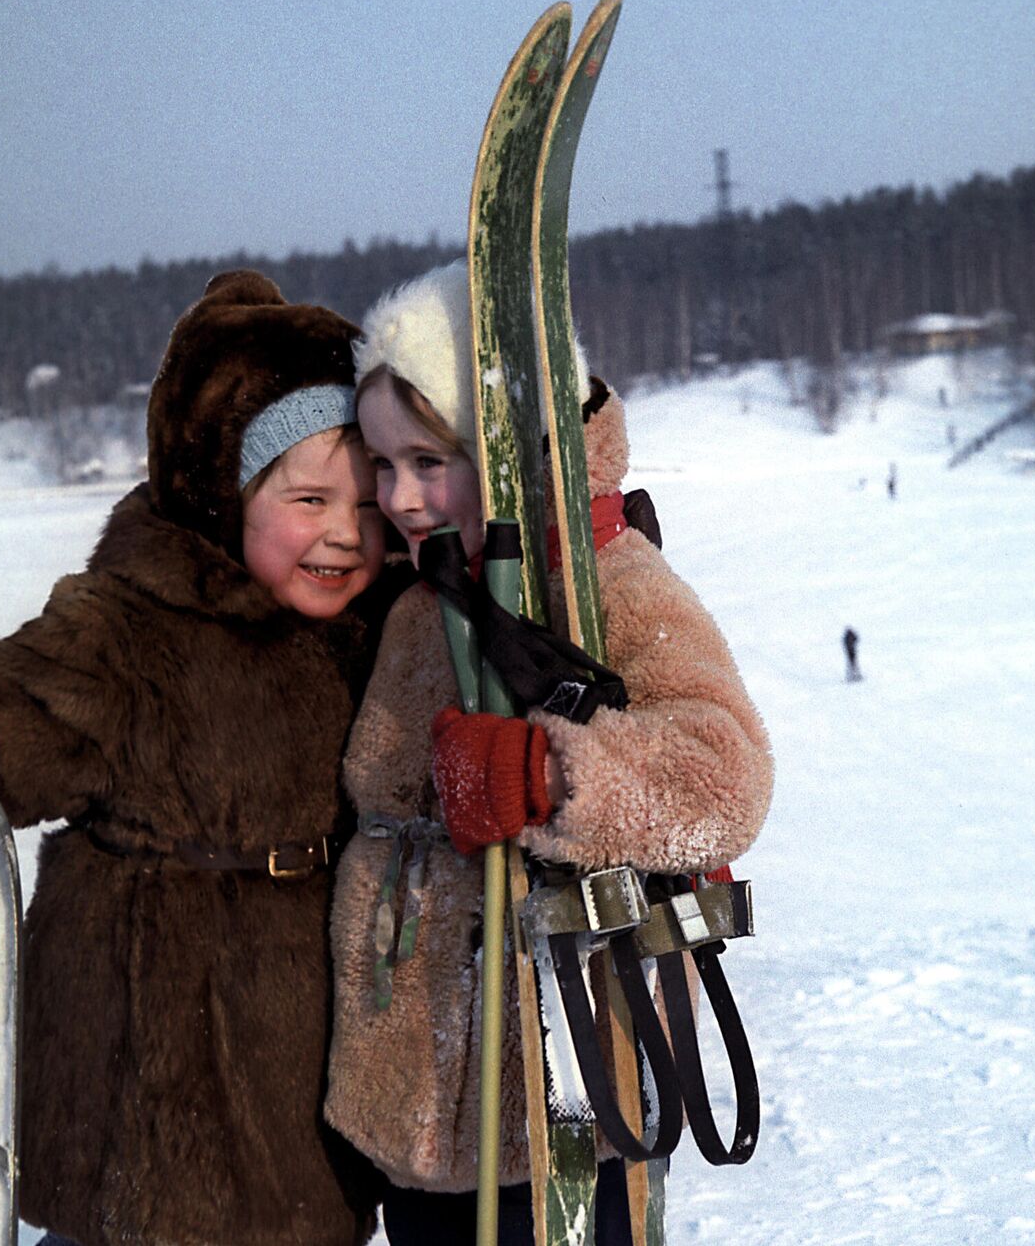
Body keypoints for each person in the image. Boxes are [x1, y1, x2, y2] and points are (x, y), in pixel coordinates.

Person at [0, 271, 395, 1246]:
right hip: (154, 1085)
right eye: (309, 497)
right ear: (225, 493)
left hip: (311, 1091)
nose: (345, 532)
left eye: (366, 500)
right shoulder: (130, 632)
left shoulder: (384, 631)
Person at [323, 261, 774, 1245]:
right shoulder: (417, 590)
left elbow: (719, 773)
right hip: (416, 1103)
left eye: (426, 459)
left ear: (507, 442)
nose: (398, 494)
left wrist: (545, 775)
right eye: (379, 461)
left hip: (568, 1084)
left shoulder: (605, 573)